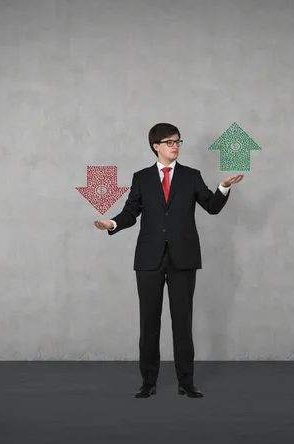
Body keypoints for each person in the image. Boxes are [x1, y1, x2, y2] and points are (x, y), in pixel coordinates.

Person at [93, 123, 243, 398]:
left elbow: (211, 207)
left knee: (182, 322)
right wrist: (112, 222)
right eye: (170, 141)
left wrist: (222, 187)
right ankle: (148, 382)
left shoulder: (191, 176)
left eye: (178, 141)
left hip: (183, 259)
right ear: (156, 146)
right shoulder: (141, 177)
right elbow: (131, 212)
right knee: (148, 322)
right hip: (148, 259)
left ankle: (186, 382)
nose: (176, 145)